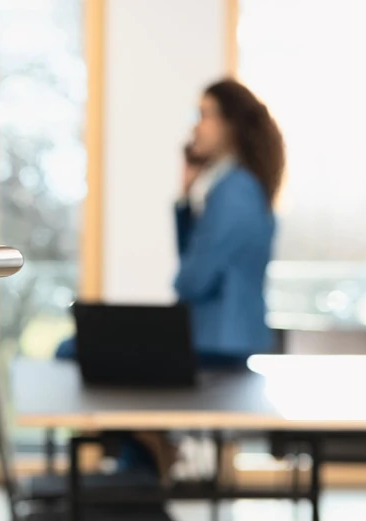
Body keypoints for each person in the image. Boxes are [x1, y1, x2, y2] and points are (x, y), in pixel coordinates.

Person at [54, 79, 285, 476]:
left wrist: (191, 206)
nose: (195, 126)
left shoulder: (235, 192)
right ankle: (146, 470)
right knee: (115, 377)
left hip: (216, 343)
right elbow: (192, 267)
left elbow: (190, 281)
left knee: (73, 351)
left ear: (231, 124)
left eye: (204, 115)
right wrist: (186, 197)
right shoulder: (236, 188)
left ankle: (147, 465)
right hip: (215, 338)